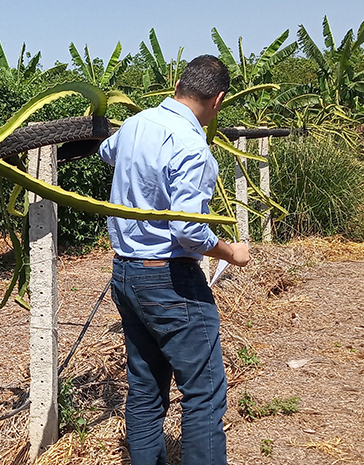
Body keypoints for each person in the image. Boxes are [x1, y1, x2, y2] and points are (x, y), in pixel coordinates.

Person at [98, 54, 250, 465]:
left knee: (145, 388)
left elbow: (107, 153)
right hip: (169, 279)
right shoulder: (193, 148)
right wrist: (231, 253)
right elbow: (189, 231)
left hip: (126, 274)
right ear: (217, 100)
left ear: (180, 85)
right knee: (204, 393)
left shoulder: (136, 124)